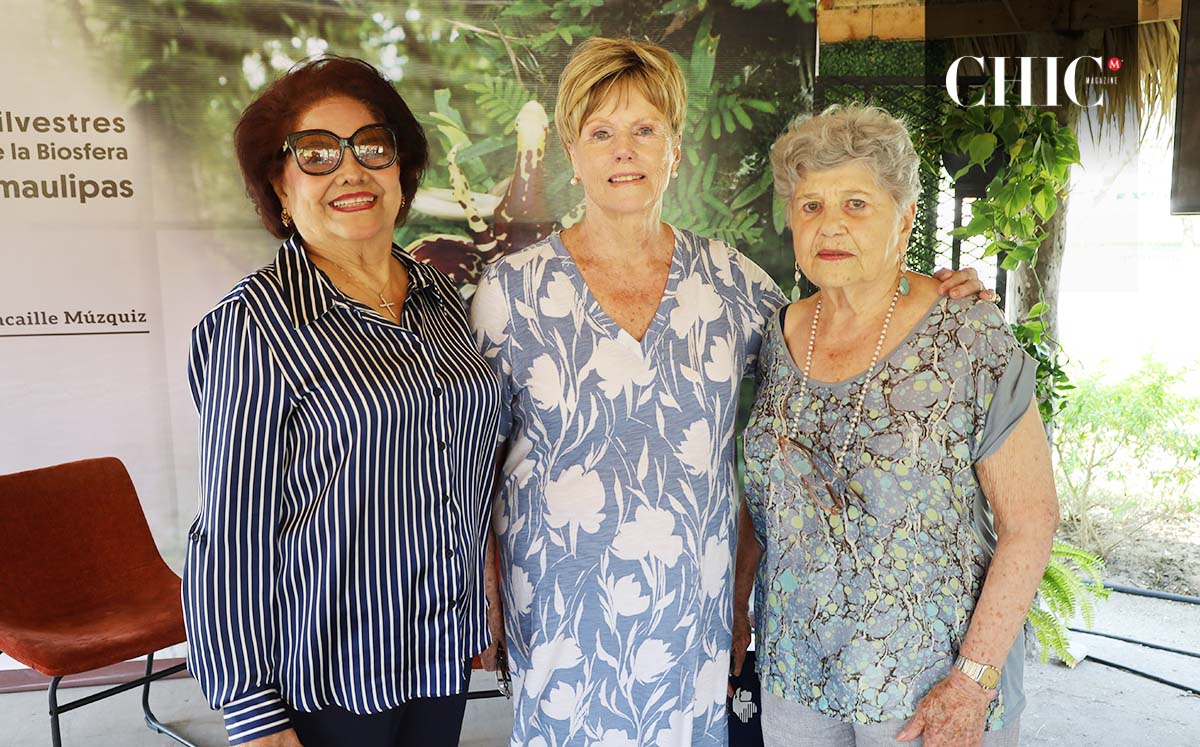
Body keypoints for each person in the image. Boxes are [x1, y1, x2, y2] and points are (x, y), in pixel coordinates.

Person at [469, 38, 989, 747]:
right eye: (602, 132)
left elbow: (837, 332)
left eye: (645, 129)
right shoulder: (510, 293)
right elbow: (471, 463)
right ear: (572, 150)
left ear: (674, 149)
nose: (625, 150)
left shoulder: (736, 286)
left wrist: (931, 293)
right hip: (560, 611)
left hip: (693, 615)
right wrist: (487, 600)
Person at [184, 56, 500, 747]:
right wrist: (250, 706)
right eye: (317, 154)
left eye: (372, 147)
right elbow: (232, 537)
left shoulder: (438, 296)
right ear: (280, 181)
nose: (351, 171)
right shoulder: (256, 325)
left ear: (401, 169)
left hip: (437, 649)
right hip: (329, 671)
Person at [734, 104, 1059, 747]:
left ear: (904, 217)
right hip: (796, 674)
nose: (830, 225)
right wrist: (737, 616)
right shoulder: (777, 335)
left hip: (927, 687)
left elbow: (1032, 522)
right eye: (810, 206)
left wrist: (972, 681)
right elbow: (762, 499)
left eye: (856, 204)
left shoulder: (968, 334)